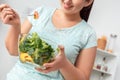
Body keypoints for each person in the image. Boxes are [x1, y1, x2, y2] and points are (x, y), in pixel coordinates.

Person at [0, 0, 97, 80]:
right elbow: (13, 50)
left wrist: (64, 64)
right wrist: (15, 25)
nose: (67, 1)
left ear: (88, 2)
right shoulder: (38, 12)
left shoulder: (88, 34)